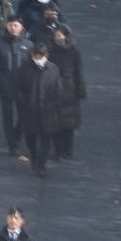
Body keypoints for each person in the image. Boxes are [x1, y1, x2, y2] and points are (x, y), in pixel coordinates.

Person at [15, 43, 63, 176]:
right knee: (30, 137)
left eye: (40, 56)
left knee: (46, 140)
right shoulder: (25, 68)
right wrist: (23, 103)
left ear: (46, 55)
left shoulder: (53, 69)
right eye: (35, 56)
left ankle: (41, 165)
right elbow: (19, 88)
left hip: (47, 112)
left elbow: (58, 90)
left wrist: (54, 106)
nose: (38, 58)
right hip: (30, 111)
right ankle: (34, 158)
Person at [0, 16, 33, 157]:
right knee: (7, 117)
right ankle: (12, 144)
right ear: (7, 26)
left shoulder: (28, 45)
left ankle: (17, 136)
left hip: (22, 87)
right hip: (5, 86)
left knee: (23, 116)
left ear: (21, 27)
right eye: (11, 25)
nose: (13, 28)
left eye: (16, 25)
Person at [50, 24, 85, 160]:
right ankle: (58, 151)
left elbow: (78, 72)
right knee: (56, 123)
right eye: (55, 36)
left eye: (59, 35)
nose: (57, 38)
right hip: (54, 89)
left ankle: (67, 150)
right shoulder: (51, 51)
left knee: (69, 125)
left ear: (66, 36)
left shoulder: (74, 52)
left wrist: (80, 92)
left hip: (70, 91)